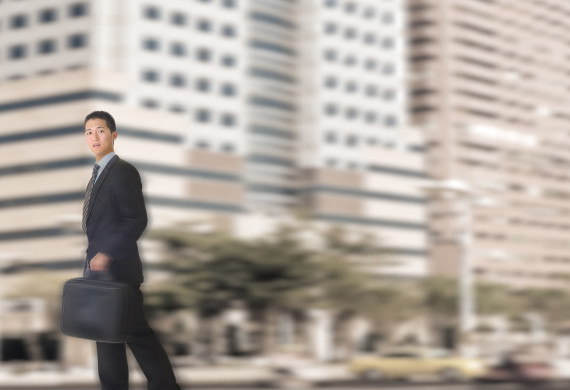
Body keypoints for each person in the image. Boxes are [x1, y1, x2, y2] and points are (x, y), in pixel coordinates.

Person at [82, 111, 181, 390]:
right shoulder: (97, 175)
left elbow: (136, 219)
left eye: (100, 131)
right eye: (89, 132)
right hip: (99, 276)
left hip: (118, 272)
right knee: (110, 339)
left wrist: (107, 253)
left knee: (136, 335)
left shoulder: (122, 171)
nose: (94, 137)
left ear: (113, 135)